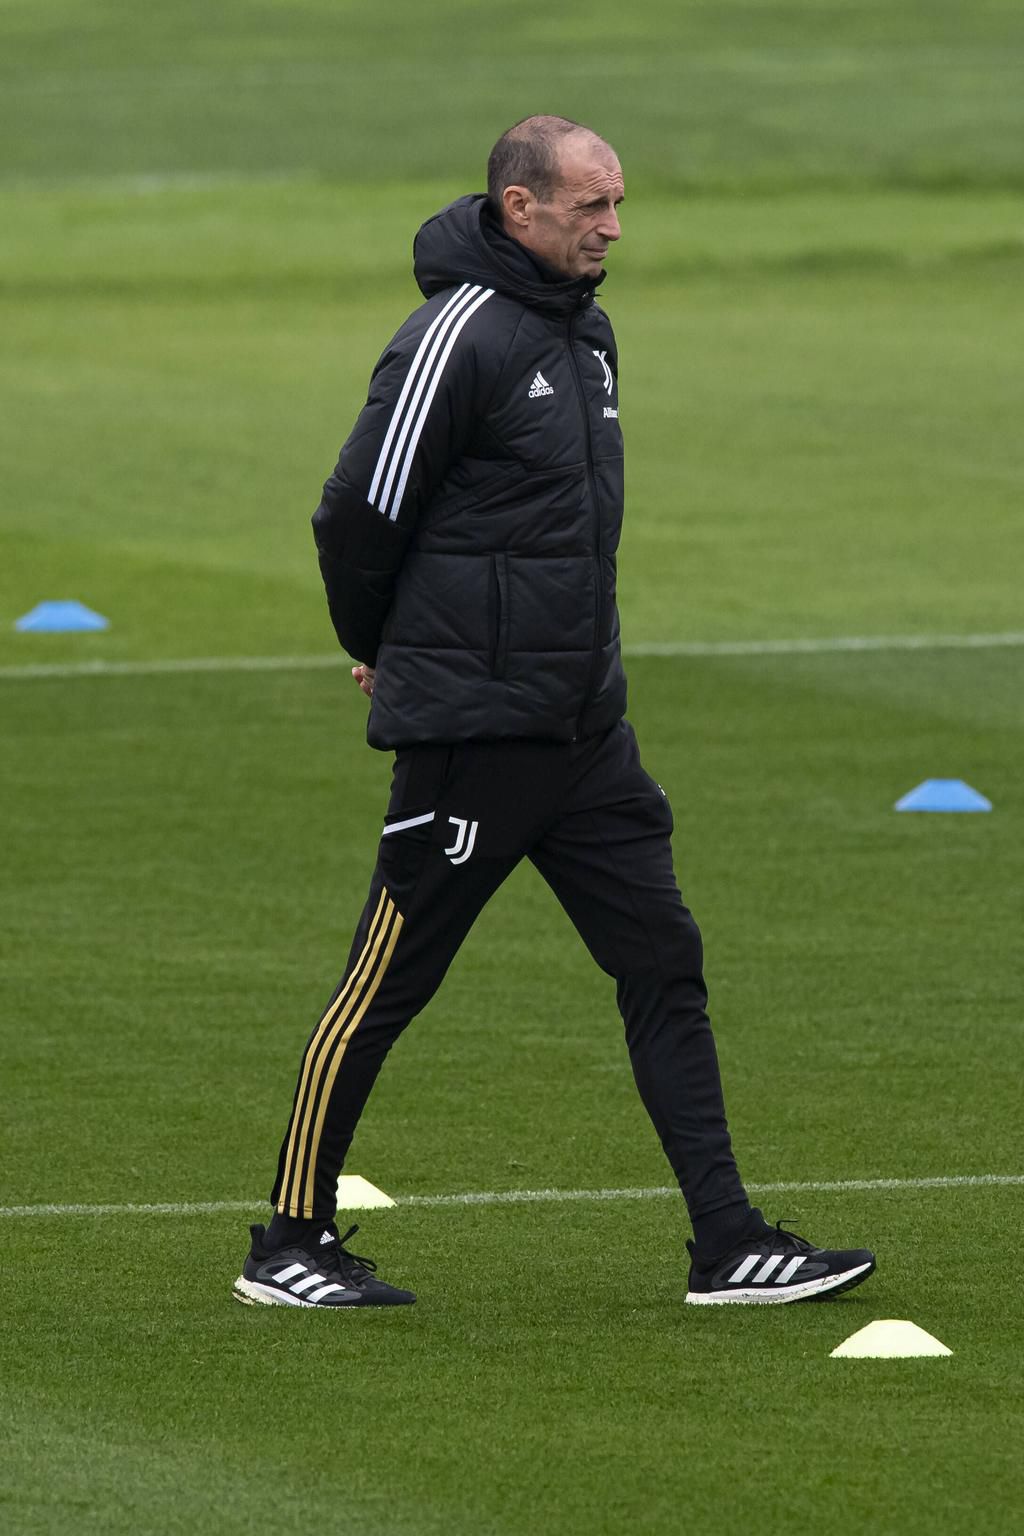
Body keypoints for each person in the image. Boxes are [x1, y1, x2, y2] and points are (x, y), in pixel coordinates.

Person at [233, 115, 875, 1310]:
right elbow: (355, 516)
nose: (613, 228)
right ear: (520, 208)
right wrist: (378, 648)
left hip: (584, 733)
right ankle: (287, 1244)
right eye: (591, 207)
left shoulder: (586, 338)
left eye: (619, 204)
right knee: (388, 981)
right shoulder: (454, 337)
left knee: (662, 961)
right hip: (474, 735)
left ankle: (725, 1240)